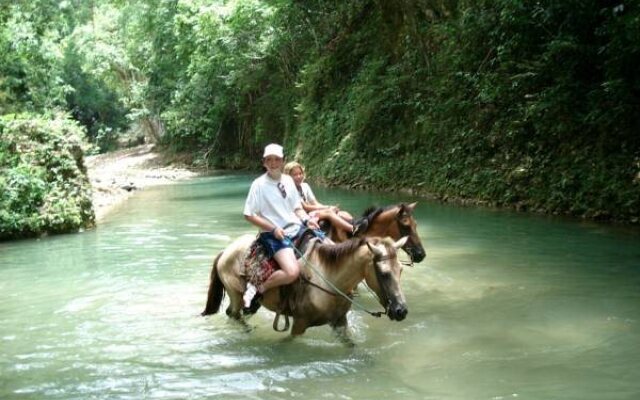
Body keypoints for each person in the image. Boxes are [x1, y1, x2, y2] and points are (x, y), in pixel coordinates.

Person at [242, 144, 320, 309]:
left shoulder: (288, 180)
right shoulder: (258, 185)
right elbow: (249, 214)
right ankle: (258, 288)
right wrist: (273, 229)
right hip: (274, 234)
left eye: (277, 159)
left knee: (328, 244)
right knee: (292, 272)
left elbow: (297, 207)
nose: (273, 163)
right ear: (264, 162)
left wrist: (307, 220)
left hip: (296, 227)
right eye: (269, 160)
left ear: (283, 161)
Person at [283, 161, 354, 236]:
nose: (298, 176)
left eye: (300, 174)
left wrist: (327, 208)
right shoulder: (290, 190)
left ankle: (356, 225)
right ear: (288, 177)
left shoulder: (305, 186)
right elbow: (306, 207)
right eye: (295, 175)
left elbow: (315, 203)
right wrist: (328, 207)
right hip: (302, 216)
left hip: (311, 213)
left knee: (341, 213)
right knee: (329, 213)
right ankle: (352, 228)